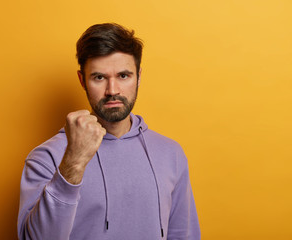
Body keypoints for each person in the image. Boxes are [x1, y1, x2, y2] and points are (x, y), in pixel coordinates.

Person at [17, 23, 200, 240]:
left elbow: (183, 235)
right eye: (99, 77)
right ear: (82, 80)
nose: (112, 91)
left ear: (139, 77)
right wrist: (73, 163)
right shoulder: (47, 156)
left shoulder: (171, 154)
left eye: (123, 76)